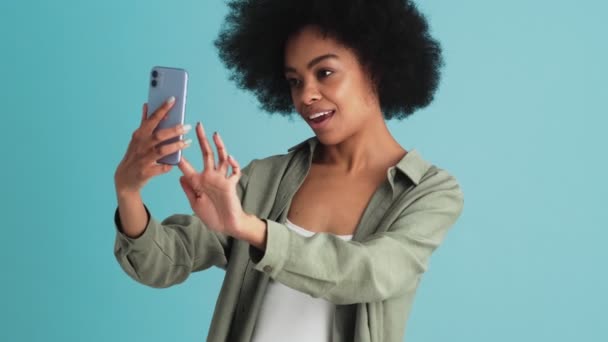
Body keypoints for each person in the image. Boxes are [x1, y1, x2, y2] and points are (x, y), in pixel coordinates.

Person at [112, 0, 464, 341]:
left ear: (376, 67)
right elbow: (160, 263)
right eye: (295, 81)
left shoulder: (429, 192)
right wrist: (128, 193)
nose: (306, 95)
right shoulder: (264, 180)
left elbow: (370, 274)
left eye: (324, 73)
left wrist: (252, 230)